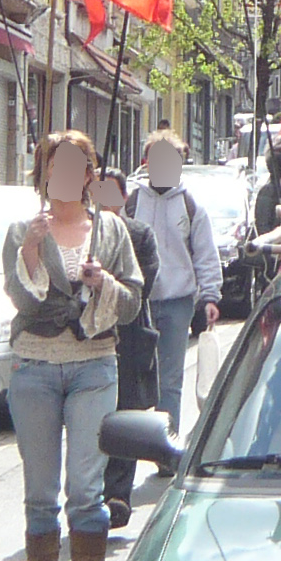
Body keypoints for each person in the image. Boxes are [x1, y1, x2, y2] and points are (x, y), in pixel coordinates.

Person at [4, 131, 145, 561]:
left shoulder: (110, 231)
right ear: (41, 173)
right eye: (51, 165)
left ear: (89, 174)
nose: (61, 175)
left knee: (85, 489)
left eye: (72, 166)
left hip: (93, 367)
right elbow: (21, 298)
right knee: (40, 493)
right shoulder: (24, 229)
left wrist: (103, 282)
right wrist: (32, 252)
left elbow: (131, 303)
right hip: (35, 367)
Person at [126, 129, 221, 439]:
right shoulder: (132, 201)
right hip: (136, 304)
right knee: (133, 377)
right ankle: (130, 444)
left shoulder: (191, 206)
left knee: (170, 380)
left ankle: (167, 445)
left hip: (178, 304)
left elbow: (206, 254)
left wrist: (210, 297)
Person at [92, 169, 159, 531]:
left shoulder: (139, 234)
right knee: (94, 417)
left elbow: (144, 282)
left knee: (127, 411)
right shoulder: (85, 236)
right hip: (90, 337)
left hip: (129, 334)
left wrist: (111, 291)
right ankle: (93, 490)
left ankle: (118, 493)